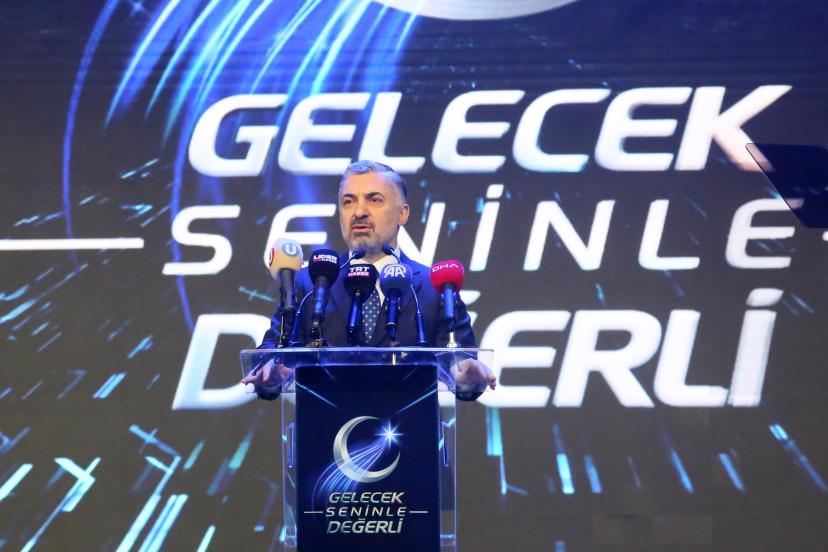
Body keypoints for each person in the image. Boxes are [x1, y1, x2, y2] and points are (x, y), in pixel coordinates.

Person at [243, 160, 496, 399]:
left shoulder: (436, 286)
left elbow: (463, 369)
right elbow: (271, 353)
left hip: (410, 427)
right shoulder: (310, 283)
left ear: (403, 214)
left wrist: (467, 378)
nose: (359, 212)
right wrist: (270, 371)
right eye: (348, 201)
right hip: (324, 427)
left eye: (374, 200)